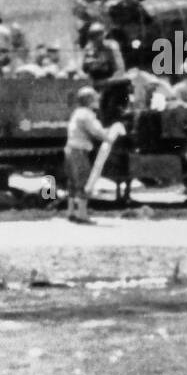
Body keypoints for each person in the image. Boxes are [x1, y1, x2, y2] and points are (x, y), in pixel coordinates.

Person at [64, 87, 110, 224]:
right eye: (95, 98)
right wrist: (109, 136)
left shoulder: (77, 112)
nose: (97, 100)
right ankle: (82, 215)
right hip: (79, 150)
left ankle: (71, 212)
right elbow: (96, 131)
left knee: (73, 182)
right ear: (89, 100)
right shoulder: (86, 114)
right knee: (84, 181)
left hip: (71, 149)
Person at [80, 23, 125, 88]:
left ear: (104, 34)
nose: (96, 38)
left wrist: (109, 81)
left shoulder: (111, 46)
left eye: (98, 34)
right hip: (95, 82)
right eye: (93, 35)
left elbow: (120, 69)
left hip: (112, 81)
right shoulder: (89, 49)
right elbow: (83, 70)